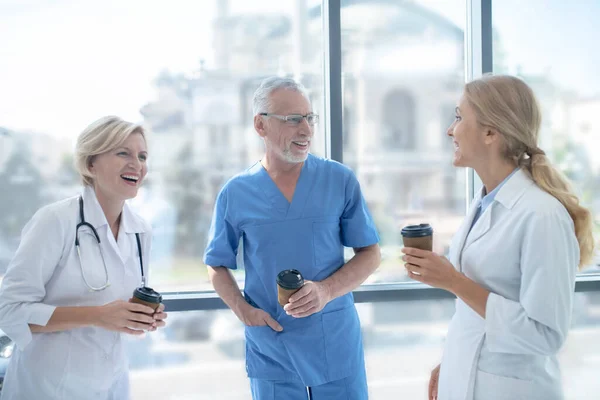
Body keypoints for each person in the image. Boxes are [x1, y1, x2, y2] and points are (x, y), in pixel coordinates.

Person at [402, 75, 594, 400]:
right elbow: (476, 314)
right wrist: (452, 362)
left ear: (491, 132)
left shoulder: (542, 215)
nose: (451, 129)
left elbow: (546, 334)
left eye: (460, 117)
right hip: (466, 378)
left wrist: (452, 281)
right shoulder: (483, 202)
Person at [204, 77, 381, 400]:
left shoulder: (338, 180)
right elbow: (216, 265)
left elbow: (370, 252)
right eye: (293, 120)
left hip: (333, 340)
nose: (306, 129)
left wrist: (326, 290)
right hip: (272, 342)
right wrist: (243, 311)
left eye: (310, 118)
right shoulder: (236, 193)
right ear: (261, 125)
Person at [0, 116, 168, 400]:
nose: (137, 165)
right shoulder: (55, 221)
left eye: (142, 156)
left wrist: (140, 319)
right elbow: (9, 311)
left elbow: (120, 311)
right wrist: (98, 316)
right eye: (123, 153)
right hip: (47, 387)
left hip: (111, 382)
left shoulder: (141, 230)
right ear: (91, 164)